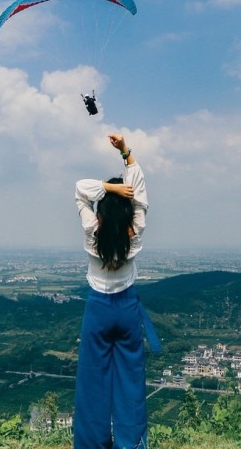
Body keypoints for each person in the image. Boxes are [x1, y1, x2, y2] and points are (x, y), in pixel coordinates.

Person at [73, 133, 158, 449]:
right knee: (130, 382)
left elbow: (81, 191)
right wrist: (126, 152)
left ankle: (91, 443)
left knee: (93, 382)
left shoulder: (91, 232)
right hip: (126, 310)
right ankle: (131, 444)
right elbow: (141, 195)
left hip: (97, 310)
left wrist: (109, 187)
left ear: (102, 212)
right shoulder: (135, 233)